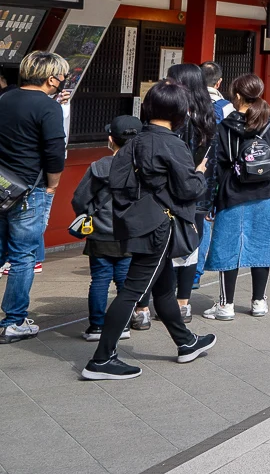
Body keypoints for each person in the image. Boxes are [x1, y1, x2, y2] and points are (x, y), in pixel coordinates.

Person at [82, 81, 216, 380]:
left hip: (138, 221)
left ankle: (186, 342)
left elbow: (118, 181)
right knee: (132, 291)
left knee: (163, 287)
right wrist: (200, 173)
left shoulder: (134, 141)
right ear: (181, 111)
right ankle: (102, 359)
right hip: (159, 225)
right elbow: (188, 189)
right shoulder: (171, 143)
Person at [201, 74, 270, 320]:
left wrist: (211, 199)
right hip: (265, 193)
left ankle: (226, 304)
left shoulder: (225, 126)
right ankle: (259, 301)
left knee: (228, 246)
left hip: (232, 192)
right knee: (262, 243)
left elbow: (216, 166)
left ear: (237, 95)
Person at [0, 51, 67, 342]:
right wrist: (52, 186)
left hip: (2, 185)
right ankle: (13, 321)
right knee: (23, 256)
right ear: (51, 78)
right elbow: (54, 153)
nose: (64, 81)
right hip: (31, 189)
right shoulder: (48, 107)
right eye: (63, 76)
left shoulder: (4, 99)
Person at [71, 115, 140, 342]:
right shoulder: (142, 167)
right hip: (130, 234)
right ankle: (124, 326)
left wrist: (91, 214)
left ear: (111, 139)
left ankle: (97, 327)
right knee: (124, 282)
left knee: (99, 280)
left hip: (100, 232)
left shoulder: (99, 167)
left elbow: (80, 200)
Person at [165, 62, 219, 323]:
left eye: (170, 79)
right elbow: (214, 162)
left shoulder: (178, 116)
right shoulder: (208, 115)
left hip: (174, 192)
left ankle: (151, 304)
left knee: (165, 246)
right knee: (189, 247)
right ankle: (183, 302)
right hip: (200, 192)